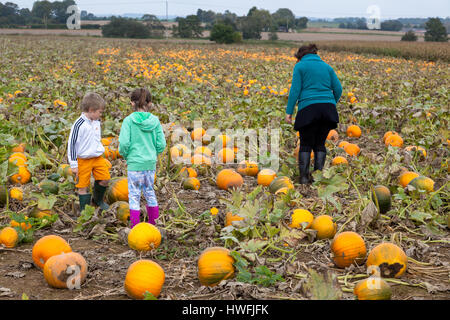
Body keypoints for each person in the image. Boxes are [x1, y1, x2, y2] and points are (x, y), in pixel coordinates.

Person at [285, 44, 342, 184]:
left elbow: (295, 90)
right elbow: (338, 88)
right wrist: (330, 103)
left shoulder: (300, 67)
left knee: (305, 144)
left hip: (308, 109)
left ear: (300, 57)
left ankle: (304, 178)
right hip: (328, 109)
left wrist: (289, 112)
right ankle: (317, 178)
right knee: (320, 144)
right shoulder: (327, 67)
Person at [118, 88, 166, 228]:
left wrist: (126, 155)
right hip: (150, 163)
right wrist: (153, 154)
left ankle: (135, 227)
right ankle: (153, 225)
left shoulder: (128, 121)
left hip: (134, 163)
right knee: (150, 192)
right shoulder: (155, 121)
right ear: (149, 103)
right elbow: (161, 144)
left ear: (132, 103)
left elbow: (124, 143)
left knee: (134, 196)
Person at [67, 92, 110, 213]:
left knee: (105, 179)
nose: (100, 114)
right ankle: (84, 211)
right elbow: (72, 144)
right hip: (83, 160)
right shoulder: (79, 125)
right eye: (99, 112)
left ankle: (98, 200)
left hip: (97, 158)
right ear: (91, 110)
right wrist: (74, 164)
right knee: (82, 186)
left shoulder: (96, 121)